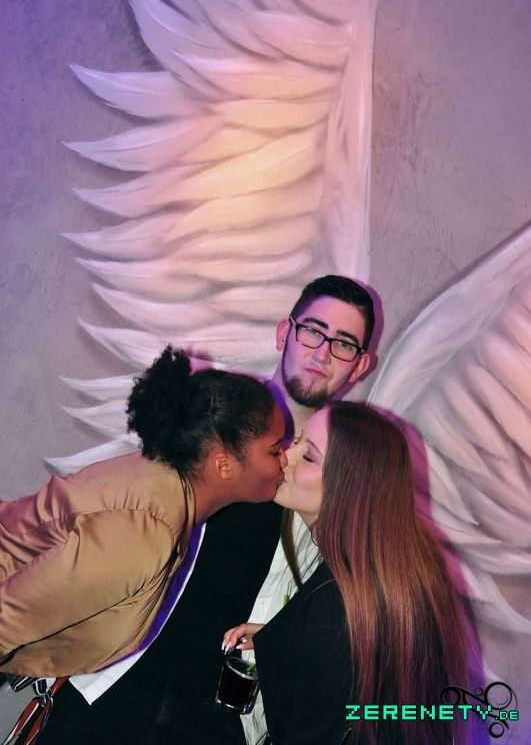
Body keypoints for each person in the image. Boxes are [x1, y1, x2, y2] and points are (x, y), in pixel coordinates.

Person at [36, 275, 375, 744]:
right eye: (313, 331)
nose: (323, 352)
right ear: (285, 332)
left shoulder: (340, 480)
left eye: (344, 343)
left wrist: (284, 640)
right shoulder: (209, 416)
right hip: (117, 681)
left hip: (220, 717)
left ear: (360, 365)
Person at [0, 346, 286, 678]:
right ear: (223, 465)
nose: (285, 458)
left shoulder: (163, 486)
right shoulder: (146, 530)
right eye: (275, 450)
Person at [223, 402, 469, 745]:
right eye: (296, 442)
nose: (285, 457)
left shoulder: (338, 604)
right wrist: (284, 638)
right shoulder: (373, 576)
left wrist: (304, 638)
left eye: (308, 457)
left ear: (352, 487)